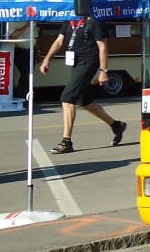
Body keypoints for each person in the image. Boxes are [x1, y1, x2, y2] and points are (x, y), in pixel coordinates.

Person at [39, 16, 128, 153]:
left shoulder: (95, 19)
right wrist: (47, 59)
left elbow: (103, 46)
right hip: (75, 62)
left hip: (89, 61)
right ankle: (116, 125)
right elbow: (59, 40)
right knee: (85, 102)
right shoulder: (69, 18)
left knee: (67, 98)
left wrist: (103, 71)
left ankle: (66, 142)